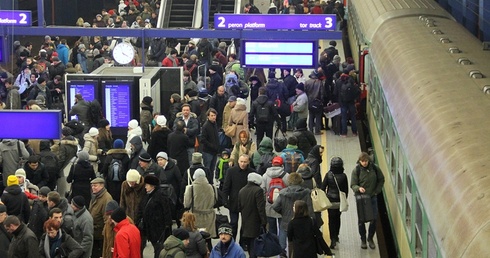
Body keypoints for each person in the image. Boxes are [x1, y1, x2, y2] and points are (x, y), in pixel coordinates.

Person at [351, 152, 385, 249]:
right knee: (361, 220)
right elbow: (353, 184)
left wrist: (377, 191)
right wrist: (358, 188)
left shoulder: (374, 168)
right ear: (360, 161)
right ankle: (363, 239)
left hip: (372, 197)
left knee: (374, 219)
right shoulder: (356, 170)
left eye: (366, 161)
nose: (364, 163)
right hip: (361, 198)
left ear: (368, 161)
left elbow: (381, 179)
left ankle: (370, 238)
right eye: (362, 161)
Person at [222, 154, 255, 247]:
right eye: (241, 161)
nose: (243, 164)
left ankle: (242, 242)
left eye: (245, 162)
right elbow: (226, 187)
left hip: (247, 202)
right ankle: (231, 242)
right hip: (234, 201)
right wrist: (225, 200)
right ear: (238, 161)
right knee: (233, 223)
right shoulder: (231, 171)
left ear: (248, 162)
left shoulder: (252, 173)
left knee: (245, 224)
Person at [138, 175, 173, 258]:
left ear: (152, 186)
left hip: (158, 229)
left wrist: (167, 226)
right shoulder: (147, 195)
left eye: (147, 185)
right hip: (149, 228)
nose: (145, 187)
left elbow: (167, 212)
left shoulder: (160, 196)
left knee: (158, 249)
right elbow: (141, 208)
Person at [261, 156, 289, 253]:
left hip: (269, 205)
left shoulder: (265, 176)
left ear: (272, 164)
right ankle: (282, 249)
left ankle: (273, 248)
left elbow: (262, 191)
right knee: (283, 228)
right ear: (282, 165)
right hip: (283, 207)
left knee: (272, 228)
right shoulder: (286, 175)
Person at [321, 156, 349, 249]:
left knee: (331, 220)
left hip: (330, 201)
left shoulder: (328, 175)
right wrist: (344, 199)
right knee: (338, 218)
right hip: (339, 201)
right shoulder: (344, 176)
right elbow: (346, 190)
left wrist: (326, 197)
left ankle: (332, 239)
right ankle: (336, 236)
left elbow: (322, 187)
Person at [237, 173, 267, 258]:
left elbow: (239, 207)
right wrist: (264, 221)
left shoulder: (242, 190)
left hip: (245, 221)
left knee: (250, 244)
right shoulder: (258, 191)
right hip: (255, 221)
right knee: (255, 244)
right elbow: (260, 208)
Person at [183, 168, 217, 239]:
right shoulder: (213, 187)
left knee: (196, 238)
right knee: (208, 238)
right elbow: (215, 201)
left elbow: (187, 204)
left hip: (195, 217)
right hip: (209, 217)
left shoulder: (190, 188)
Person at [88, 177, 113, 258]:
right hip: (94, 232)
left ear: (102, 186)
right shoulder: (95, 196)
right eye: (92, 186)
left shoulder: (106, 199)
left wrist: (105, 234)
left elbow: (107, 219)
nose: (93, 188)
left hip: (100, 235)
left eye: (95, 186)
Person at [100, 138, 130, 204]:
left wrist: (105, 176)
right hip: (122, 182)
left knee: (111, 198)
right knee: (120, 198)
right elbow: (128, 169)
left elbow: (105, 169)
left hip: (110, 182)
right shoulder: (125, 156)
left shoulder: (109, 156)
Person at [304, 70, 325, 135]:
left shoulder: (307, 82)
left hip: (310, 101)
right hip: (318, 101)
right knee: (318, 117)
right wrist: (322, 101)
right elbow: (322, 93)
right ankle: (317, 130)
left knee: (311, 116)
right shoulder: (319, 82)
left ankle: (310, 130)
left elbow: (305, 91)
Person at [200, 108, 220, 173]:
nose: (214, 117)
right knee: (207, 169)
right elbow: (203, 139)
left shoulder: (215, 124)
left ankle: (211, 182)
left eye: (215, 115)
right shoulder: (205, 126)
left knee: (212, 169)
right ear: (208, 116)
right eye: (212, 115)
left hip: (215, 151)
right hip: (207, 152)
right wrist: (212, 146)